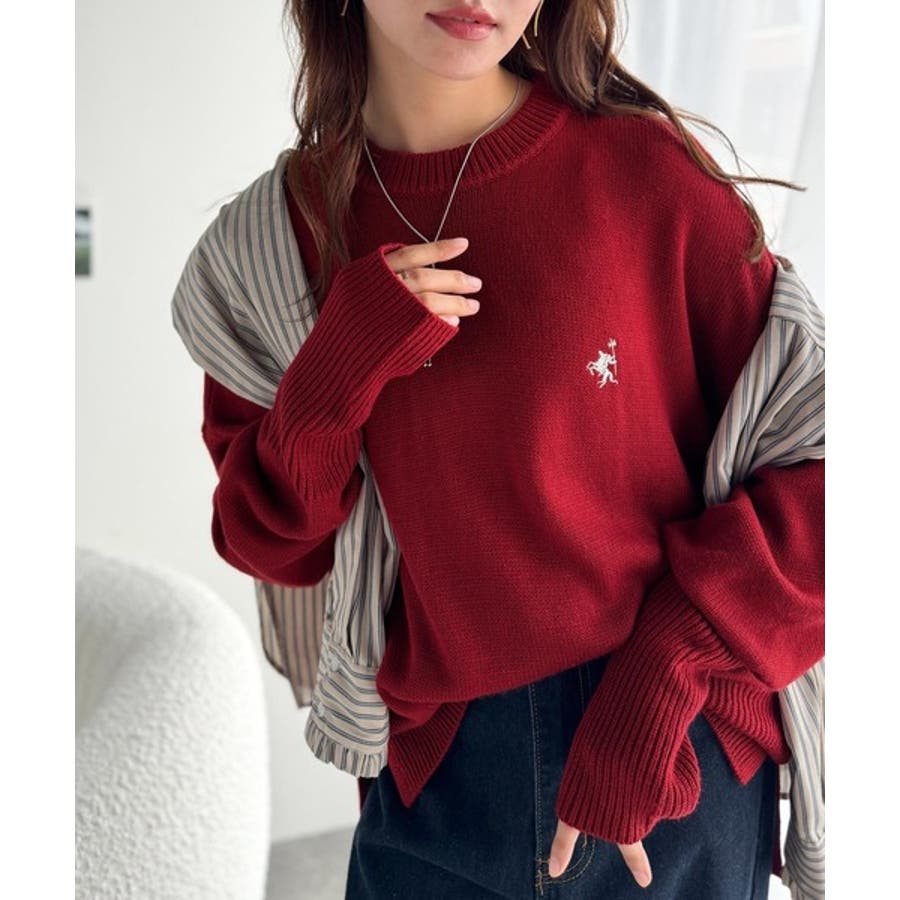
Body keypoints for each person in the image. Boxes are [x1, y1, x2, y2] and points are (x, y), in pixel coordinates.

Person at [196, 1, 824, 897]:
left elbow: (829, 466)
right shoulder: (272, 243)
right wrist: (334, 373)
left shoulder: (644, 174)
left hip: (666, 747)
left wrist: (665, 673)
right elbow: (271, 545)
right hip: (440, 770)